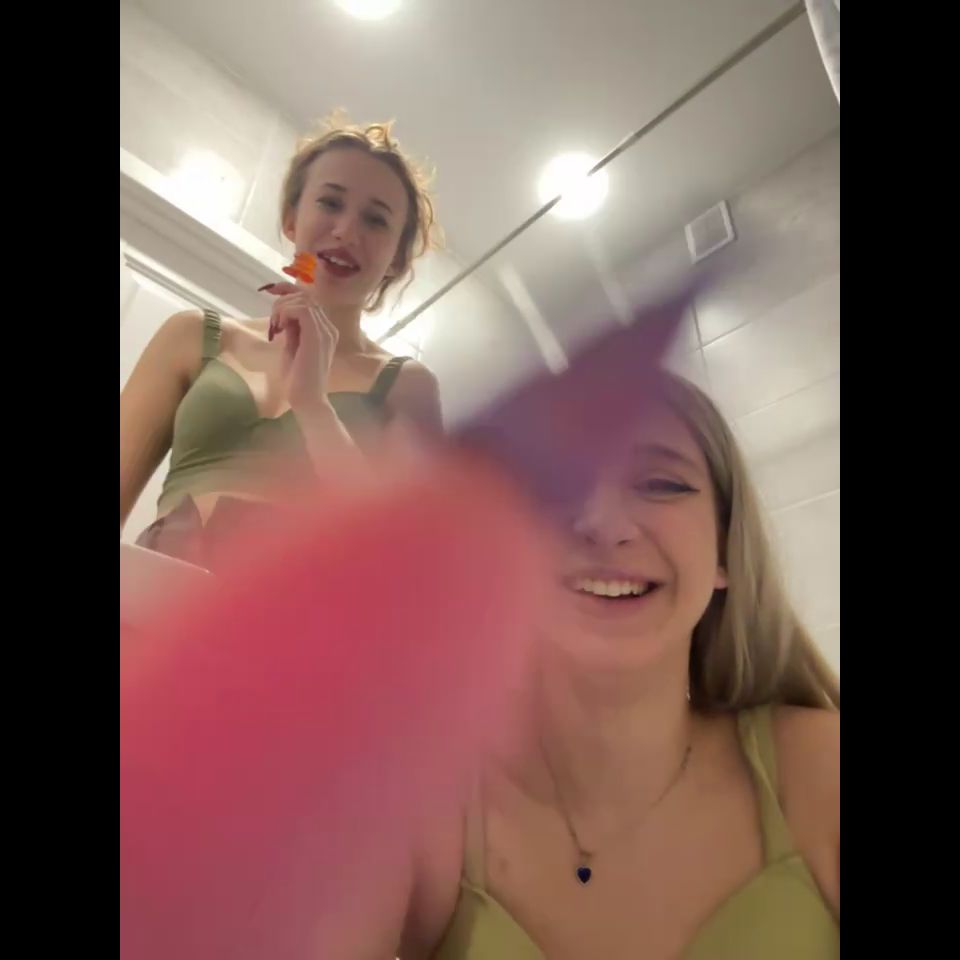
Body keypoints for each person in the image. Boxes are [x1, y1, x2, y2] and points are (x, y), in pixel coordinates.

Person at [120, 372, 840, 959]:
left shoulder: (821, 770)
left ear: (724, 550)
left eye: (661, 483)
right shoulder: (424, 804)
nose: (603, 523)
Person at [119, 115, 443, 568]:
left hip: (296, 607)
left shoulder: (407, 385)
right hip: (157, 597)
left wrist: (313, 404)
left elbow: (400, 558)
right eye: (330, 202)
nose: (347, 231)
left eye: (375, 220)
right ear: (292, 220)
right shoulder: (191, 335)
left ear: (396, 260)